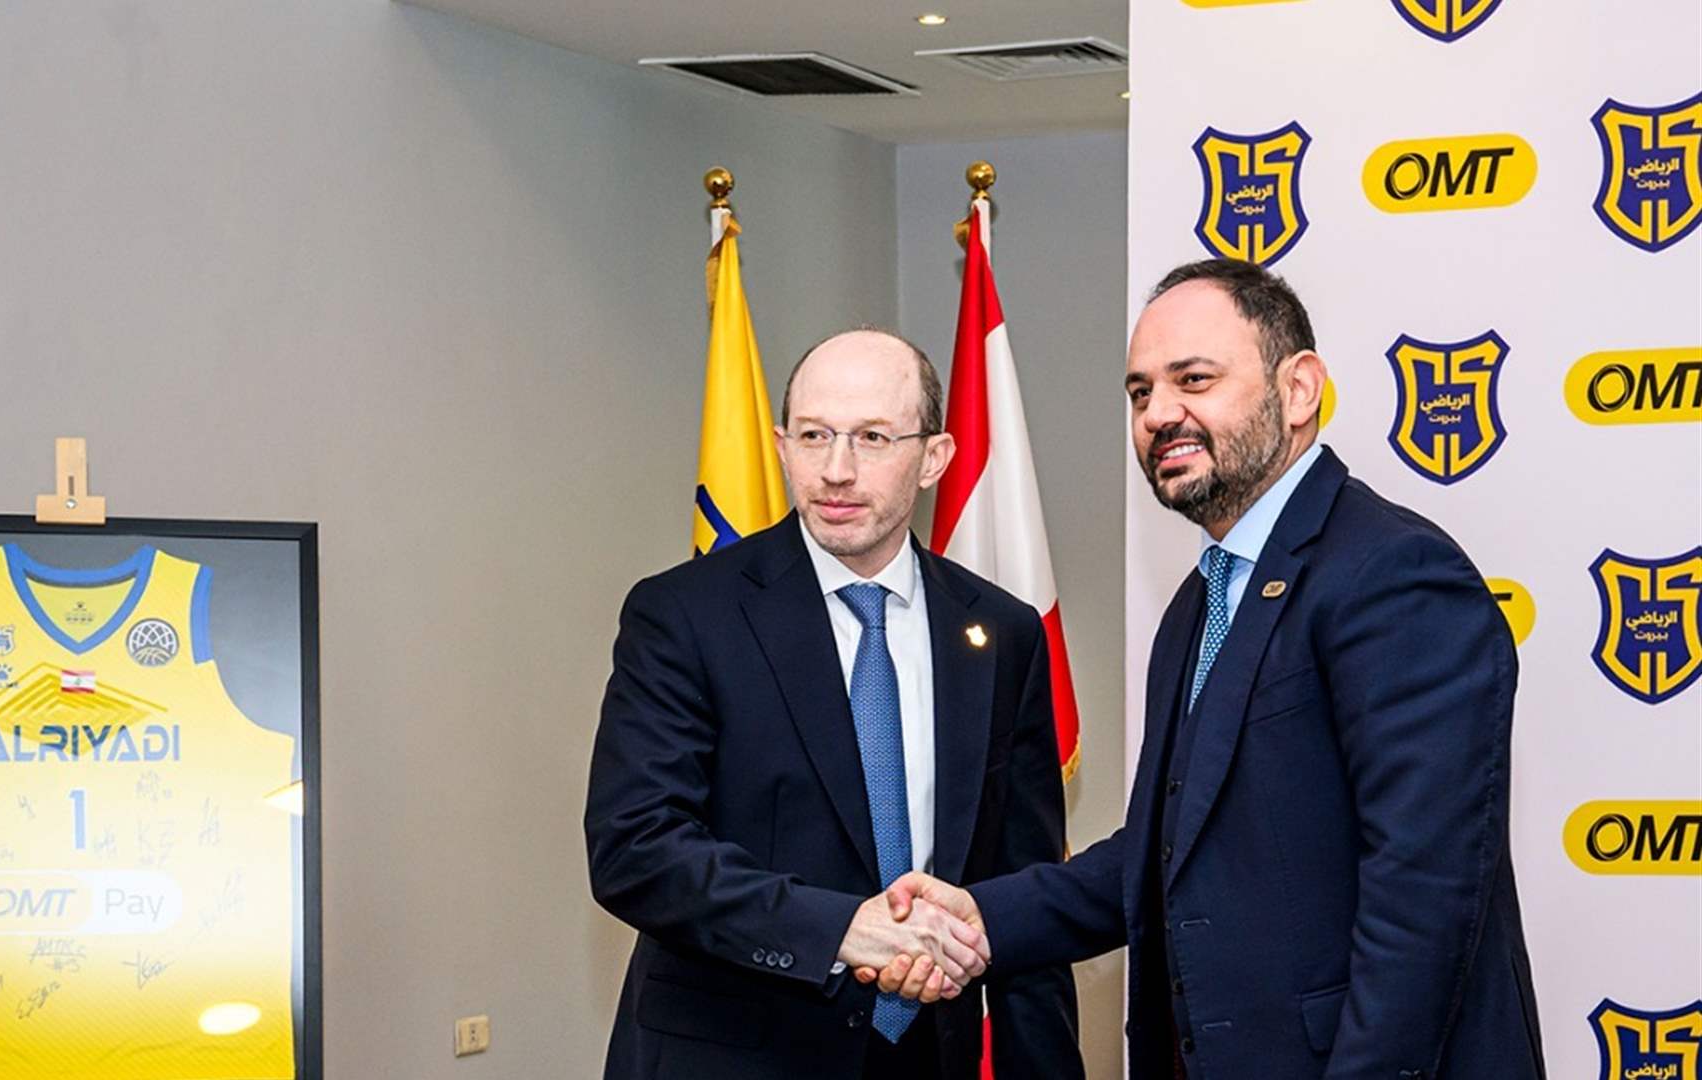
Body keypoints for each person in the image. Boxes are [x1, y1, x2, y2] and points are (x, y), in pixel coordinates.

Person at [870, 260, 1544, 1079]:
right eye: (1140, 392)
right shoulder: (1201, 600)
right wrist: (979, 915)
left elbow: (1423, 899)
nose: (1159, 414)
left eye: (1194, 379)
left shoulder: (1394, 574)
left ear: (1299, 390)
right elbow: (1166, 850)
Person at [585, 327, 1086, 1080]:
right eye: (814, 436)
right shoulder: (686, 614)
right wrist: (844, 929)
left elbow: (1022, 893)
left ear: (935, 458)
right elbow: (636, 848)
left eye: (873, 438)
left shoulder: (1001, 632)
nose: (836, 471)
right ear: (781, 446)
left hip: (928, 1058)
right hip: (732, 1057)